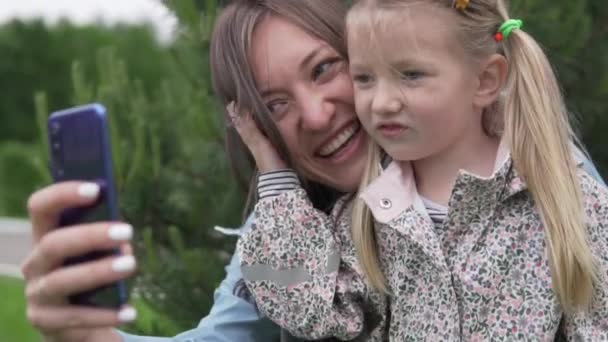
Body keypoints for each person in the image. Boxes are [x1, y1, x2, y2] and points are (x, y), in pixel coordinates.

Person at [20, 0, 605, 341]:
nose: (315, 113)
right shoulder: (322, 226)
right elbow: (271, 321)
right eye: (274, 105)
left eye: (326, 69)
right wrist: (89, 336)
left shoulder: (549, 182)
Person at [235, 0, 608, 340]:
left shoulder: (566, 202)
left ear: (485, 81)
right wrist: (274, 174)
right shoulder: (365, 220)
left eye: (411, 75)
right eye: (365, 78)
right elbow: (305, 308)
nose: (381, 102)